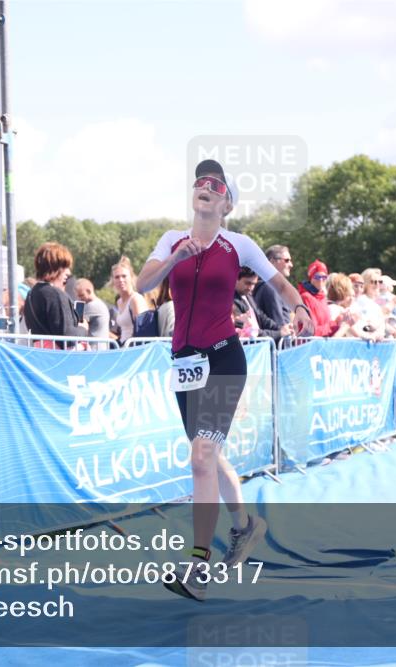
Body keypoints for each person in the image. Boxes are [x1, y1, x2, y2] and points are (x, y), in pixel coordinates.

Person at [137, 159, 313, 601]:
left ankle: (198, 565)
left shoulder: (240, 244)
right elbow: (143, 283)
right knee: (209, 458)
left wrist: (301, 307)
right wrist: (176, 257)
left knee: (201, 456)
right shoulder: (170, 240)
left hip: (223, 360)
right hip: (183, 362)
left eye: (215, 185)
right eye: (199, 182)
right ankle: (246, 526)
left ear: (226, 202)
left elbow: (281, 284)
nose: (205, 187)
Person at [111, 256, 150, 345]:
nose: (121, 280)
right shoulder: (119, 301)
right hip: (122, 346)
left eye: (124, 276)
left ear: (131, 277)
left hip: (134, 347)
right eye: (117, 277)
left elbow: (141, 330)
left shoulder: (136, 299)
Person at [253, 245, 293, 330]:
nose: (291, 265)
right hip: (279, 341)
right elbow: (279, 324)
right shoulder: (270, 287)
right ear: (272, 262)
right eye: (287, 260)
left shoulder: (271, 286)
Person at [298, 259, 338, 337]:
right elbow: (313, 330)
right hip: (309, 345)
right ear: (311, 277)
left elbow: (326, 325)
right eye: (317, 277)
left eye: (324, 277)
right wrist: (335, 324)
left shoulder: (322, 297)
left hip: (322, 343)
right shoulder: (305, 297)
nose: (320, 280)